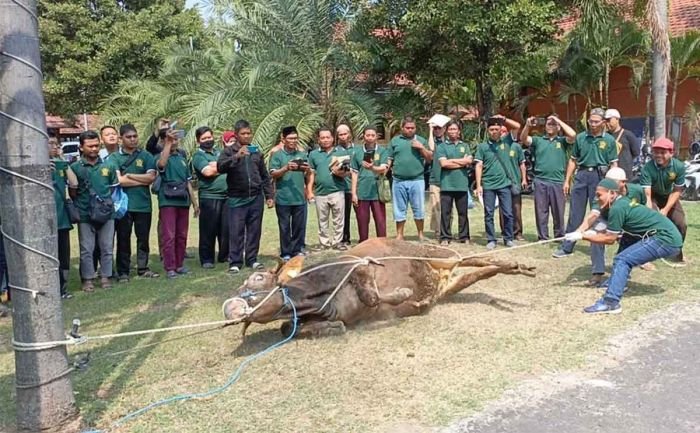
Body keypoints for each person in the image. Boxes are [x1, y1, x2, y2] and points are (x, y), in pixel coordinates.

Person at [566, 178, 682, 314]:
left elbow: (610, 239)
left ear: (612, 194)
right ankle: (617, 281)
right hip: (664, 235)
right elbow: (612, 232)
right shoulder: (622, 203)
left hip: (666, 239)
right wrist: (589, 232)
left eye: (599, 195)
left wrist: (583, 236)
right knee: (627, 239)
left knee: (622, 260)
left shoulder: (617, 208)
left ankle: (611, 302)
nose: (597, 199)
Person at [553, 108, 618, 281]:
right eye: (591, 121)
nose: (593, 124)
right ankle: (567, 246)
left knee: (597, 214)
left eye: (596, 121)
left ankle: (597, 244)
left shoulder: (609, 140)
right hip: (582, 176)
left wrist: (612, 184)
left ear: (603, 122)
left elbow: (614, 164)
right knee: (575, 212)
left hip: (600, 177)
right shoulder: (581, 137)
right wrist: (567, 180)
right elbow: (573, 160)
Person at [217, 120, 274, 274]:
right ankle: (235, 262)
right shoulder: (228, 152)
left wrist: (269, 195)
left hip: (256, 197)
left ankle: (252, 259)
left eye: (249, 133)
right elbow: (220, 167)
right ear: (236, 135)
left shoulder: (256, 152)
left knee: (254, 230)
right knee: (236, 231)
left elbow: (264, 175)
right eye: (243, 134)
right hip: (237, 198)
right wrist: (236, 156)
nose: (247, 136)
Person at [69, 130, 118, 292]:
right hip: (84, 214)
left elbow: (112, 189)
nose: (94, 149)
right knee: (86, 249)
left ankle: (106, 277)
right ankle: (88, 279)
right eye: (90, 146)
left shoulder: (108, 165)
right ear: (81, 147)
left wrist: (103, 205)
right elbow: (73, 192)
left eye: (97, 145)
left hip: (106, 214)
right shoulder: (75, 167)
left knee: (106, 247)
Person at [109, 124, 158, 282]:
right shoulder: (115, 157)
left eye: (134, 136)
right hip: (124, 206)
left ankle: (143, 268)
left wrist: (130, 176)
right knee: (123, 238)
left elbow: (151, 178)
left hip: (143, 205)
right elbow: (118, 181)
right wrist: (140, 179)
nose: (132, 139)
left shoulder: (146, 156)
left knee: (143, 238)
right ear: (121, 139)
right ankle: (123, 271)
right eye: (128, 137)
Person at [520, 115, 577, 241]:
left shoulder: (562, 141)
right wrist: (528, 125)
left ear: (558, 127)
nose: (550, 126)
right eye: (548, 124)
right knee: (541, 211)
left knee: (558, 212)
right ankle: (543, 237)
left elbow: (573, 135)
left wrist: (559, 121)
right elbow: (523, 139)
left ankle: (559, 236)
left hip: (557, 181)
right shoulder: (539, 140)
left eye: (553, 124)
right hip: (541, 180)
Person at [474, 115, 521, 250]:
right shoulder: (482, 147)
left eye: (496, 129)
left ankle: (508, 238)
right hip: (488, 185)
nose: (494, 131)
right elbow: (479, 166)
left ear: (501, 130)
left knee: (507, 213)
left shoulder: (507, 142)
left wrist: (504, 119)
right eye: (491, 129)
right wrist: (478, 185)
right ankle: (491, 239)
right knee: (488, 214)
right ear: (487, 131)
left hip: (504, 184)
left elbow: (517, 126)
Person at [157, 130, 199, 278]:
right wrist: (167, 144)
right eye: (170, 140)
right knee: (169, 235)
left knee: (182, 235)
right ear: (163, 141)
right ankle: (170, 267)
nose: (174, 142)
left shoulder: (182, 158)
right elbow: (161, 164)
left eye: (175, 140)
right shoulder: (161, 156)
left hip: (182, 200)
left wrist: (195, 203)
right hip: (168, 201)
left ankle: (179, 265)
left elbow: (187, 182)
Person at [639, 137, 687, 262]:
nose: (658, 155)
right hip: (653, 195)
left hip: (669, 196)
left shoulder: (679, 167)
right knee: (651, 223)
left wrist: (665, 209)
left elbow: (677, 190)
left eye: (663, 152)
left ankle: (676, 253)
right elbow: (647, 194)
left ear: (671, 153)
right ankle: (647, 256)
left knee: (681, 223)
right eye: (656, 152)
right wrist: (649, 208)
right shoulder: (647, 168)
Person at [388, 116, 433, 241]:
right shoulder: (395, 141)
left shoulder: (421, 140)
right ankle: (399, 235)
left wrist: (421, 147)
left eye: (412, 128)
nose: (410, 130)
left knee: (418, 208)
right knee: (399, 209)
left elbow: (430, 158)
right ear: (402, 128)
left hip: (417, 180)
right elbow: (389, 159)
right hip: (398, 180)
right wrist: (384, 170)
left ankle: (420, 234)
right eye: (407, 128)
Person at [191, 126, 229, 269]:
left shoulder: (219, 152)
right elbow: (207, 172)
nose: (207, 140)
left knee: (225, 229)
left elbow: (229, 165)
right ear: (198, 141)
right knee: (208, 229)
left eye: (209, 137)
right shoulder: (198, 156)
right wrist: (222, 166)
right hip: (209, 197)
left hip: (226, 196)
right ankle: (207, 259)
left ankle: (224, 255)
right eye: (204, 139)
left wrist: (217, 166)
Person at [269, 126, 309, 260]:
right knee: (284, 227)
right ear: (283, 139)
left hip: (299, 197)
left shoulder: (302, 155)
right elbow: (273, 173)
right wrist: (286, 168)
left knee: (298, 226)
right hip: (283, 198)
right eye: (290, 138)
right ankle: (285, 252)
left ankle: (297, 250)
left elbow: (309, 174)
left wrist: (307, 170)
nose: (293, 141)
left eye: (296, 138)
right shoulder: (277, 155)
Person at [308, 127, 350, 250]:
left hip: (337, 190)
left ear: (332, 138)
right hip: (320, 192)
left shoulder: (341, 152)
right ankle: (324, 243)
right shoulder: (313, 154)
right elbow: (311, 173)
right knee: (322, 220)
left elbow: (347, 172)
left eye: (328, 137)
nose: (325, 140)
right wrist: (309, 191)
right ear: (319, 139)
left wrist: (340, 172)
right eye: (322, 138)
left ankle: (337, 242)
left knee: (338, 219)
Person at [49, 133, 78, 299]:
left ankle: (63, 288)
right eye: (51, 143)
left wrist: (64, 164)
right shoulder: (35, 166)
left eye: (56, 144)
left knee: (63, 256)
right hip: (45, 221)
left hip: (62, 219)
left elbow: (74, 183)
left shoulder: (60, 165)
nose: (54, 147)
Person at [435, 121, 472, 245]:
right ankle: (445, 237)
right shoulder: (441, 146)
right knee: (445, 213)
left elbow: (469, 161)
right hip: (447, 185)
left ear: (459, 131)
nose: (452, 131)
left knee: (463, 213)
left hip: (462, 185)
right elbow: (443, 164)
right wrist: (462, 161)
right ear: (446, 131)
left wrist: (452, 160)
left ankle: (464, 236)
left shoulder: (465, 146)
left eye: (454, 129)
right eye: (450, 129)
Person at [351, 126, 390, 242]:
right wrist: (354, 193)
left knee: (380, 220)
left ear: (376, 136)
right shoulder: (357, 152)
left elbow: (383, 169)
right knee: (362, 221)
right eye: (367, 135)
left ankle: (383, 244)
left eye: (373, 135)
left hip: (377, 191)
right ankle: (363, 244)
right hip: (362, 191)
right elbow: (354, 173)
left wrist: (372, 167)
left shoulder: (382, 151)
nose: (370, 138)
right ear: (363, 136)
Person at [498, 129, 528, 241]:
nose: (502, 134)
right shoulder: (497, 146)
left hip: (515, 181)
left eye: (504, 132)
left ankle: (518, 232)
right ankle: (505, 231)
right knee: (503, 209)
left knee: (516, 208)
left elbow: (522, 164)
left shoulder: (516, 146)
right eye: (500, 132)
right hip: (501, 182)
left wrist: (524, 179)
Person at [336, 124, 358, 246]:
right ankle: (345, 238)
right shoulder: (336, 151)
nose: (343, 137)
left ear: (349, 134)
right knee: (344, 216)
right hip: (342, 188)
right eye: (341, 134)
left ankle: (363, 238)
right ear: (337, 136)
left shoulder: (358, 149)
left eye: (345, 134)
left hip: (356, 188)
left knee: (361, 215)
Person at [604, 109, 640, 181]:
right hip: (608, 173)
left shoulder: (628, 135)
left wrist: (626, 161)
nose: (607, 123)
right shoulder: (604, 136)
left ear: (617, 119)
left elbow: (636, 152)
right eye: (605, 121)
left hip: (625, 173)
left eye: (609, 120)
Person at [427, 122, 446, 238]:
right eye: (435, 128)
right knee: (436, 207)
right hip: (435, 179)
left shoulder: (447, 141)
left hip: (448, 179)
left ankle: (446, 230)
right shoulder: (432, 141)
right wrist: (430, 130)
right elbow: (431, 148)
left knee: (448, 207)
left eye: (439, 128)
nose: (437, 130)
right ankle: (438, 231)